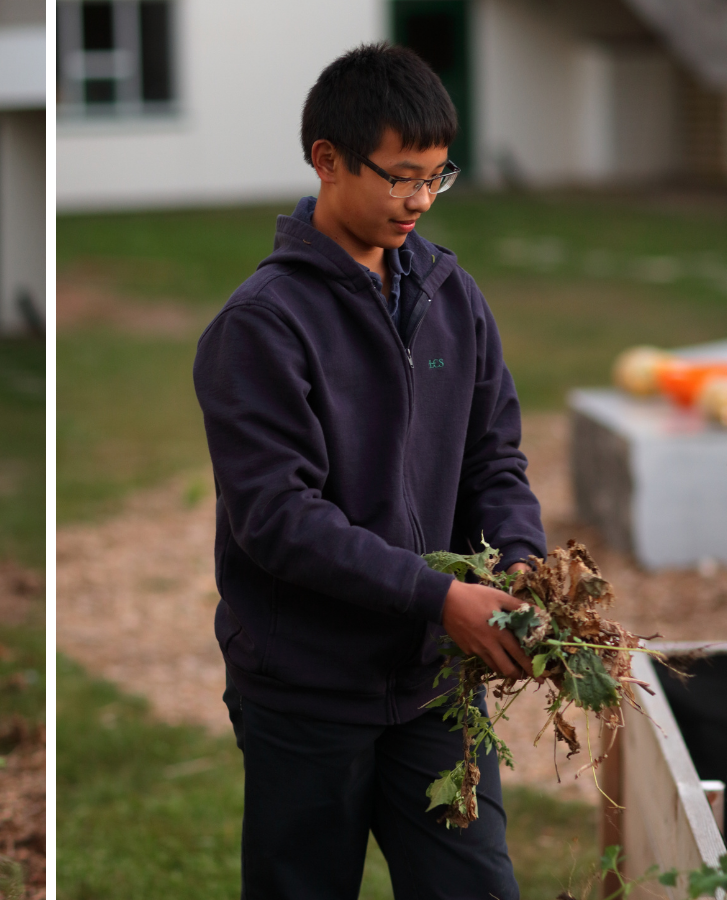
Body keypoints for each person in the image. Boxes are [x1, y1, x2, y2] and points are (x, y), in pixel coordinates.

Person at [192, 44, 544, 899]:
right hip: (305, 692)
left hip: (433, 688)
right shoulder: (261, 326)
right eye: (399, 178)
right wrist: (438, 597)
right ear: (327, 161)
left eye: (436, 177)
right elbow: (279, 519)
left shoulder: (452, 296)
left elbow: (493, 454)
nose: (420, 200)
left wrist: (523, 562)